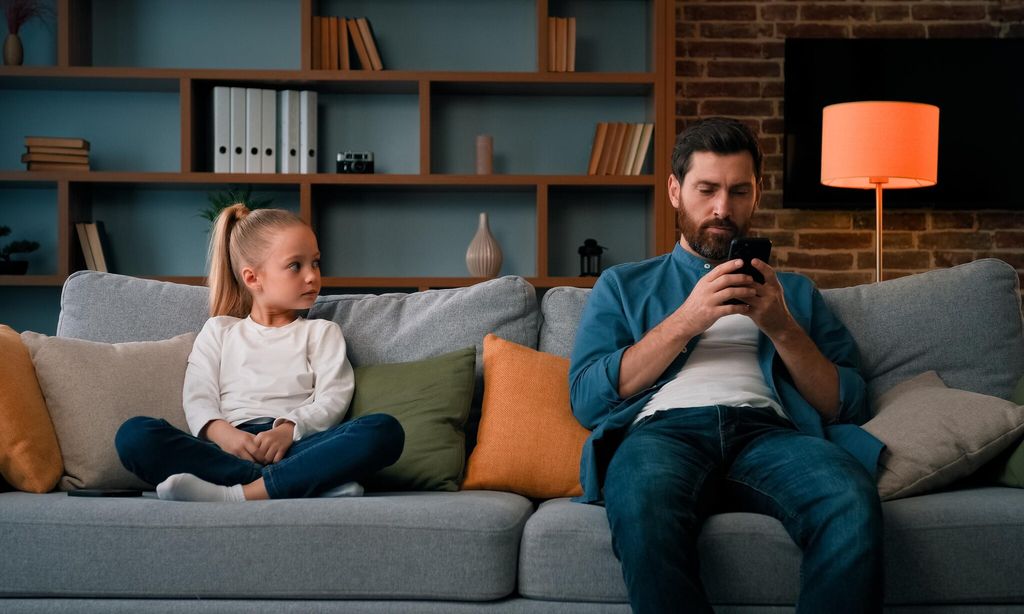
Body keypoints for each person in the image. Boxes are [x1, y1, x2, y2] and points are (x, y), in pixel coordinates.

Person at [569, 118, 885, 613]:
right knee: (644, 509)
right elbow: (588, 400)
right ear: (675, 191)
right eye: (706, 189)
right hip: (663, 433)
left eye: (739, 191)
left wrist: (781, 327)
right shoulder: (623, 285)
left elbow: (846, 403)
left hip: (771, 434)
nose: (722, 209)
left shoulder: (795, 293)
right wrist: (687, 319)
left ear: (757, 193)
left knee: (849, 499)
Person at [116, 205, 404, 502]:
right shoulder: (219, 331)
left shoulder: (321, 332)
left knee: (384, 431)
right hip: (229, 448)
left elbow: (334, 398)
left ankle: (241, 493)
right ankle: (307, 483)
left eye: (315, 264)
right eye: (296, 266)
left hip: (296, 445)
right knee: (135, 436)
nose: (312, 277)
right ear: (253, 278)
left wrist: (288, 431)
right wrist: (224, 435)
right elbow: (198, 395)